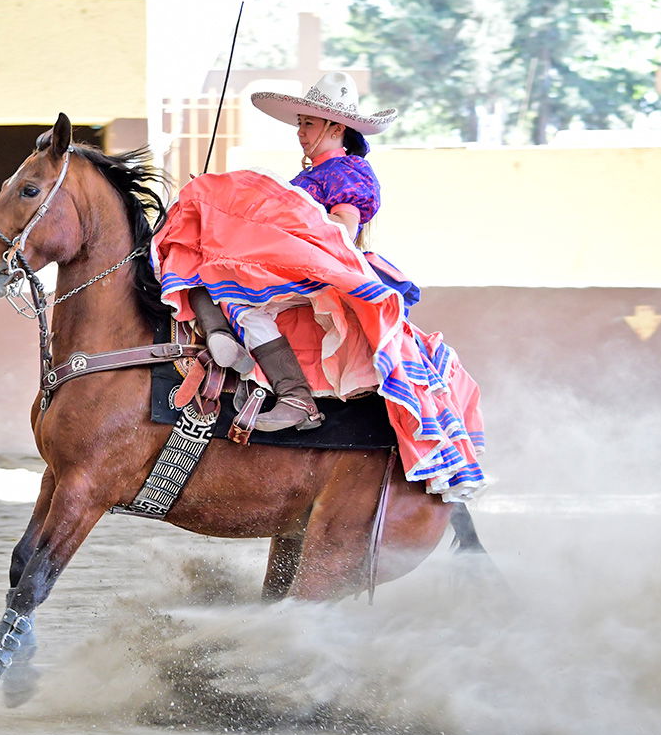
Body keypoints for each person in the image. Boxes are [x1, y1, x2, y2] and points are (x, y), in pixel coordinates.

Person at [152, 72, 485, 501]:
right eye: (300, 124)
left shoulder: (349, 172)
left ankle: (293, 396)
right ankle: (222, 338)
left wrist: (278, 222)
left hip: (326, 265)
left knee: (237, 286)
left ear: (336, 128)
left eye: (308, 123)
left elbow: (341, 231)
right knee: (200, 258)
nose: (301, 132)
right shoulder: (305, 178)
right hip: (291, 261)